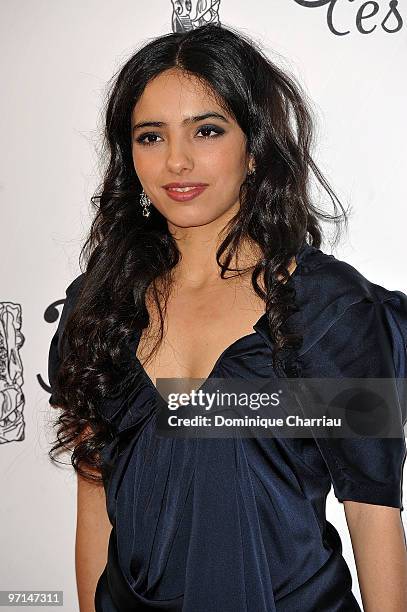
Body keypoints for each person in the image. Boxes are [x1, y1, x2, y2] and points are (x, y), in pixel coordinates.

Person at [47, 23, 407, 612]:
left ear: (256, 144)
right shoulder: (97, 305)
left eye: (207, 130)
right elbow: (95, 508)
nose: (177, 161)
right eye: (150, 136)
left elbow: (372, 515)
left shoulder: (331, 309)